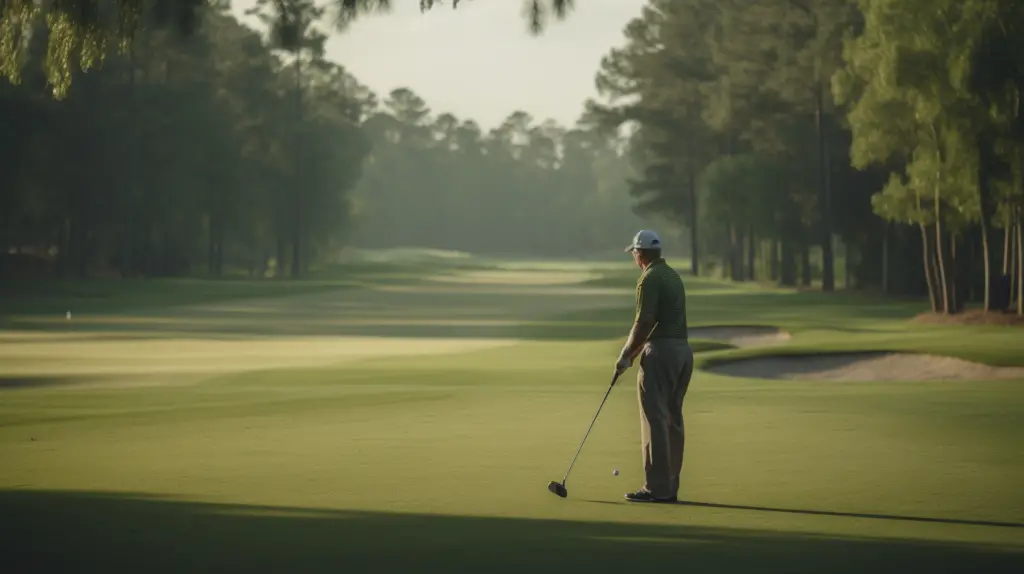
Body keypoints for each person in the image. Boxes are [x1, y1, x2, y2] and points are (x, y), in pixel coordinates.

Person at [614, 230, 694, 503]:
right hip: (683, 352)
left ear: (641, 254)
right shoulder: (672, 275)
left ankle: (655, 488)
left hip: (661, 354)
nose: (634, 257)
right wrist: (634, 353)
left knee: (655, 420)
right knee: (672, 419)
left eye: (635, 253)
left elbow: (644, 322)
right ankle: (669, 486)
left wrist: (626, 354)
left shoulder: (648, 279)